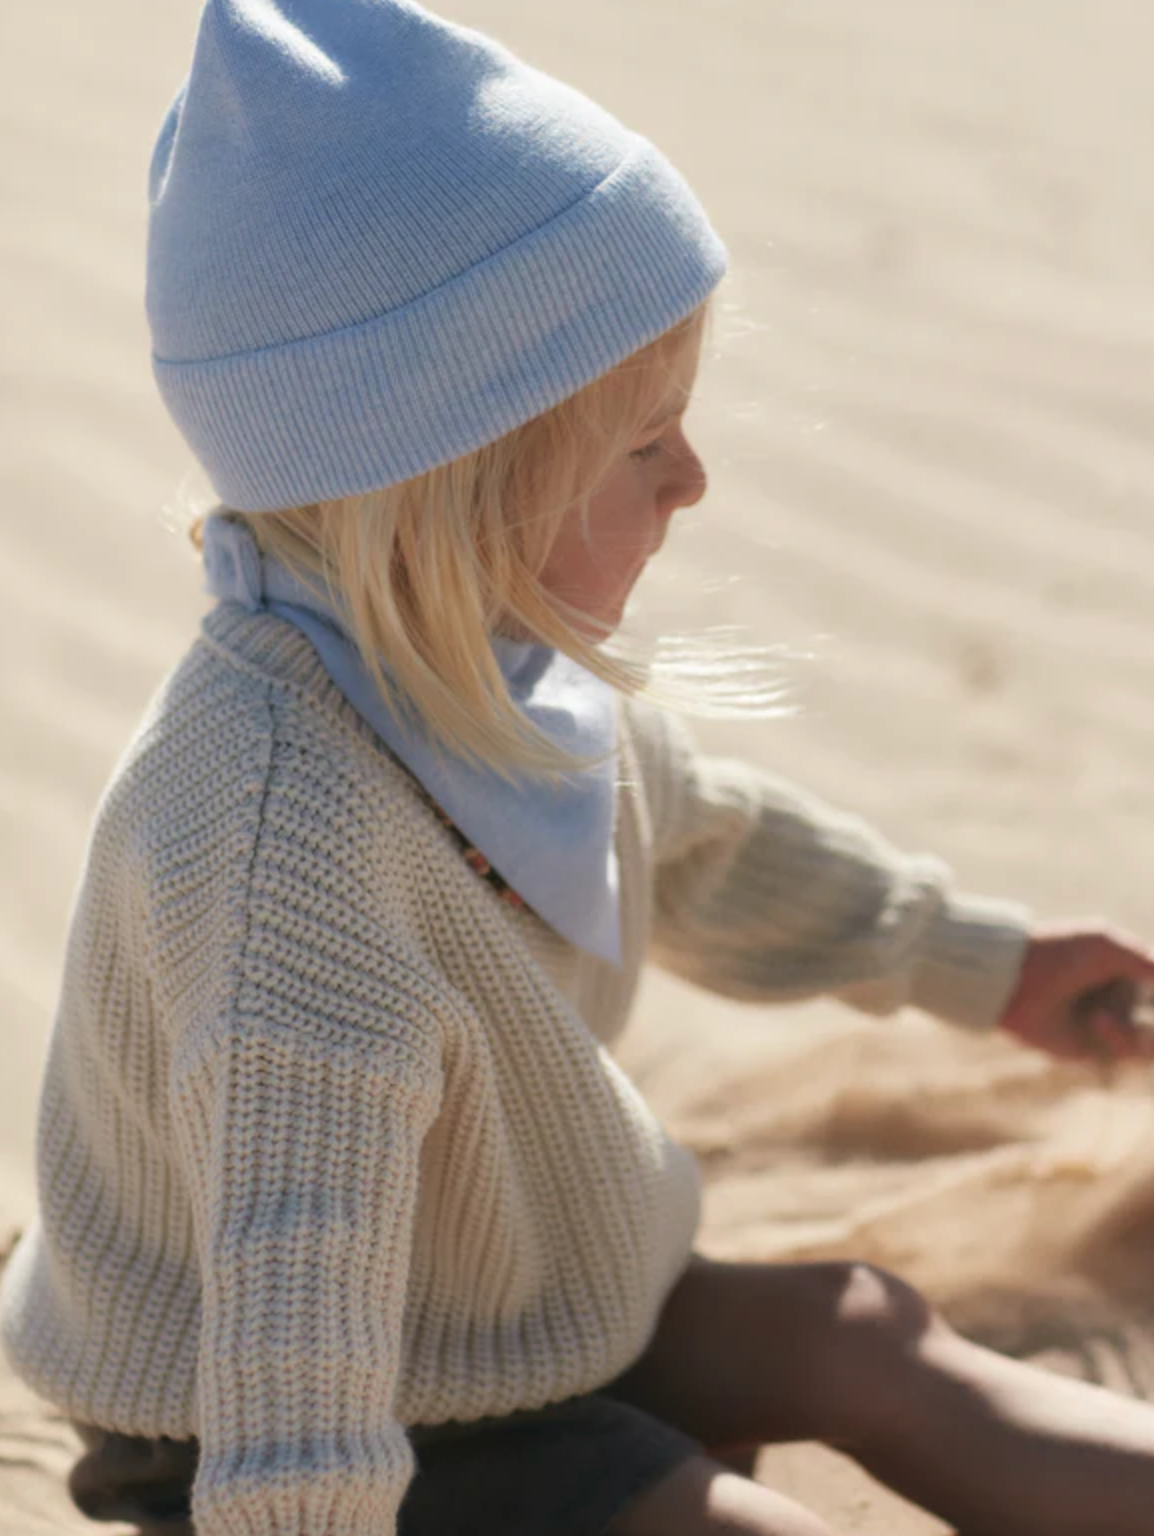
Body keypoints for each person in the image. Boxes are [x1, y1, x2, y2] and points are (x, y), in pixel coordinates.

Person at [3, 3, 1154, 1534]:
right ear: (450, 487)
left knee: (862, 1332)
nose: (694, 477)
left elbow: (709, 848)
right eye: (639, 445)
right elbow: (294, 1284)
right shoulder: (287, 850)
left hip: (523, 1305)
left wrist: (978, 963)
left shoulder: (488, 667)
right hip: (293, 1425)